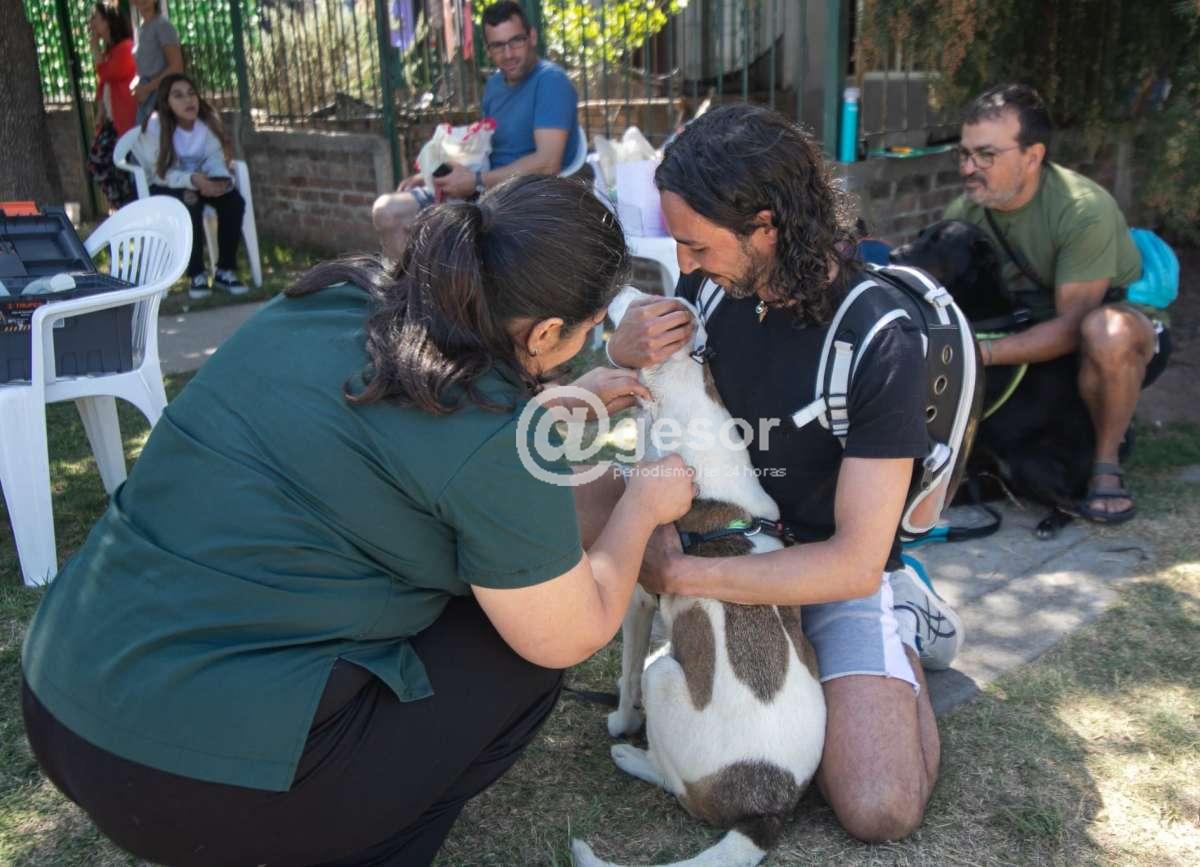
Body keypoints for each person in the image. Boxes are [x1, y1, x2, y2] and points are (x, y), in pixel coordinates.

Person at [21, 175, 694, 867]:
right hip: (187, 784)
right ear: (548, 332)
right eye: (589, 330)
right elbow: (570, 631)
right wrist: (641, 505)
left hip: (64, 695)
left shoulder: (330, 298)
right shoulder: (491, 431)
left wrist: (557, 404)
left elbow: (392, 424)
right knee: (519, 657)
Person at [601, 103, 964, 843]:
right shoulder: (714, 289)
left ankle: (901, 621)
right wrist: (621, 350)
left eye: (696, 245)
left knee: (879, 807)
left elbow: (853, 560)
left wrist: (683, 575)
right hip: (724, 531)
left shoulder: (879, 340)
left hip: (824, 571)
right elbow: (660, 390)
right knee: (566, 489)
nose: (685, 267)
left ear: (764, 227)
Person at [943, 83, 1171, 524]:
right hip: (1027, 330)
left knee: (1104, 332)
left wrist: (978, 353)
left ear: (1032, 157)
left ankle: (1107, 464)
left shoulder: (1082, 209)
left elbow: (1071, 328)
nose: (969, 168)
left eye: (986, 155)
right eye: (964, 154)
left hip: (1112, 334)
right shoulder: (965, 212)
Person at [372, 0, 580, 260]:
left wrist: (477, 181)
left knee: (442, 237)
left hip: (521, 200)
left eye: (516, 41)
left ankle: (438, 284)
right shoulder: (494, 85)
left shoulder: (551, 82)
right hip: (481, 190)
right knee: (386, 212)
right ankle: (409, 287)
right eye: (498, 46)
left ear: (532, 37)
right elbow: (484, 150)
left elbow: (548, 163)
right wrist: (436, 173)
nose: (508, 54)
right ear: (488, 50)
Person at [132, 73, 248, 299]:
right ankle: (196, 274)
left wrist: (220, 181)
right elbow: (160, 174)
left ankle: (225, 270)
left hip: (200, 182)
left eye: (191, 93)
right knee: (190, 202)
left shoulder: (207, 123)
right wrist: (192, 180)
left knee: (234, 201)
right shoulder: (154, 128)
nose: (188, 100)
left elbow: (215, 158)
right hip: (164, 185)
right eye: (178, 96)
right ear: (166, 103)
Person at [87, 2, 136, 210]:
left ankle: (128, 205)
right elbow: (103, 83)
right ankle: (123, 205)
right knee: (99, 160)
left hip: (126, 121)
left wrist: (94, 47)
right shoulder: (111, 51)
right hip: (112, 120)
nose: (91, 23)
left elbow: (107, 73)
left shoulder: (125, 48)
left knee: (110, 162)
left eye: (95, 18)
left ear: (108, 22)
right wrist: (100, 111)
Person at [128, 0, 183, 127]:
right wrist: (137, 85)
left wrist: (148, 88)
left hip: (162, 100)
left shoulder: (163, 26)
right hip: (146, 101)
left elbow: (177, 67)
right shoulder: (140, 29)